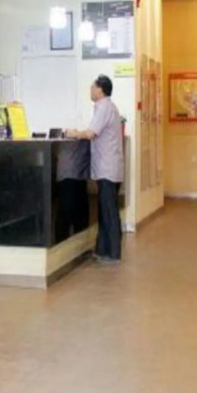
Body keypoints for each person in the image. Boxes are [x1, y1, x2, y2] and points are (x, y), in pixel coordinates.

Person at [66, 75, 124, 262]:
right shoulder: (109, 107)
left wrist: (73, 133)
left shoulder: (104, 107)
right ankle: (103, 250)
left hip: (107, 168)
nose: (90, 90)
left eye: (92, 87)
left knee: (108, 211)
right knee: (107, 210)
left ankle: (113, 253)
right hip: (110, 167)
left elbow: (91, 133)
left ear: (100, 90)